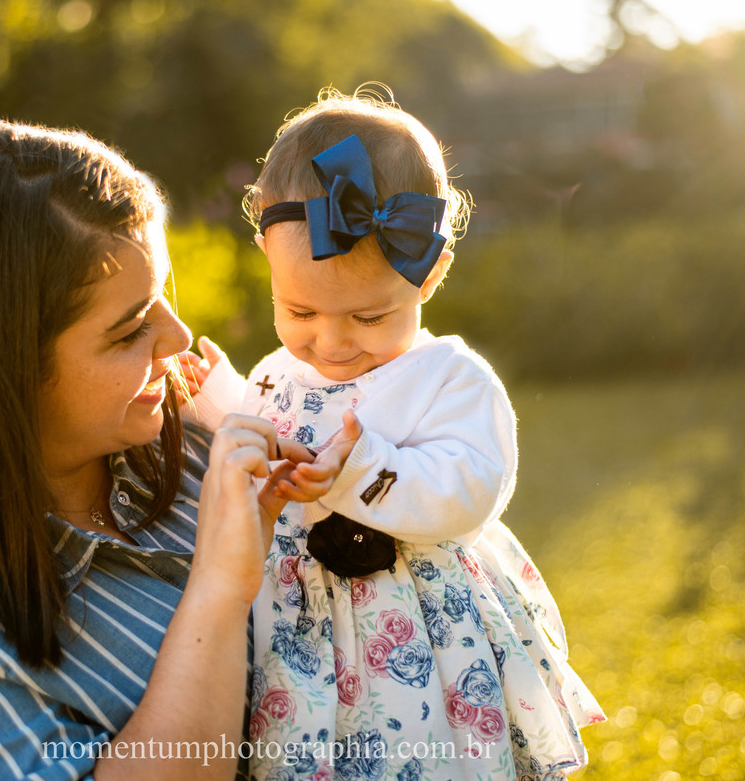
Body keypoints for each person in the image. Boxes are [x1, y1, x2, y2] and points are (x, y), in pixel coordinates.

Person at [0, 119, 313, 780]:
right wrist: (219, 586)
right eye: (128, 330)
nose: (177, 336)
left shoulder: (201, 440)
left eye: (162, 295)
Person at [179, 89, 605, 780]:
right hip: (297, 630)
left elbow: (468, 489)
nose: (332, 342)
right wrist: (220, 400)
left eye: (370, 317)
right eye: (300, 311)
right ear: (266, 256)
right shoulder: (277, 371)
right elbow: (269, 438)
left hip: (413, 636)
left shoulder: (449, 379)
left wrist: (358, 470)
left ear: (430, 274)